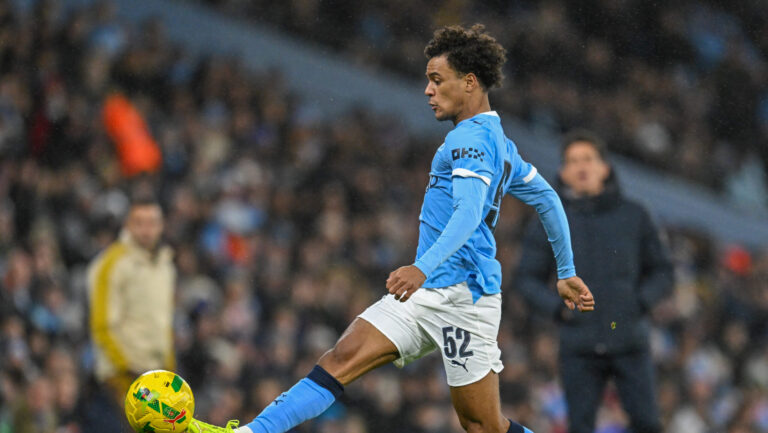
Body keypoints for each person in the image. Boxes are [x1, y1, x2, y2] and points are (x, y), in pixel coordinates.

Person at [189, 24, 594, 433]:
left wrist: (423, 267)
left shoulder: (469, 142)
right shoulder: (501, 145)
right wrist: (565, 271)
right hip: (426, 292)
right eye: (427, 81)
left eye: (437, 80)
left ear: (469, 82)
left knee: (483, 425)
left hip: (464, 300)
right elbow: (549, 199)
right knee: (341, 358)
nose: (427, 91)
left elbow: (470, 213)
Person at [516, 131, 674, 433]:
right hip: (579, 343)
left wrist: (639, 303)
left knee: (647, 423)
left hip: (629, 339)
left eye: (588, 159)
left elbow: (663, 270)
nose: (581, 167)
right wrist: (558, 310)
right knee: (580, 426)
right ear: (563, 171)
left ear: (605, 167)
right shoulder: (549, 219)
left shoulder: (635, 215)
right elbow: (525, 278)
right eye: (573, 161)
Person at [87, 198, 176, 429]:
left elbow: (162, 321)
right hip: (124, 376)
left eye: (152, 222)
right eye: (139, 222)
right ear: (128, 225)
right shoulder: (113, 263)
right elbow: (102, 324)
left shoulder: (165, 263)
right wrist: (124, 368)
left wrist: (168, 366)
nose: (146, 230)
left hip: (156, 376)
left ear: (162, 225)